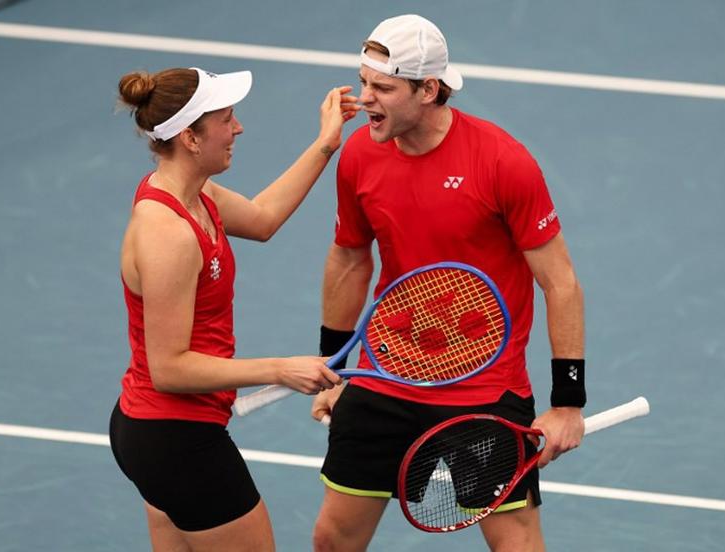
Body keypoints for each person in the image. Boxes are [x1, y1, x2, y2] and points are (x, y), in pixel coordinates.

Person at [310, 15, 585, 552]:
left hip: (484, 387)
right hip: (385, 375)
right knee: (332, 539)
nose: (365, 98)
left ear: (429, 89)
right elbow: (349, 260)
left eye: (382, 88)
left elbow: (560, 282)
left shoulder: (502, 161)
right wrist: (333, 369)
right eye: (364, 82)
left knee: (515, 542)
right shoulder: (360, 155)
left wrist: (568, 401)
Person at [108, 66, 359, 551]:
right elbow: (169, 368)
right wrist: (281, 370)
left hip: (157, 435)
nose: (238, 128)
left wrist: (327, 142)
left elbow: (264, 219)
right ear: (190, 138)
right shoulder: (169, 232)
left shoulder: (196, 195)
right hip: (176, 439)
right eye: (226, 118)